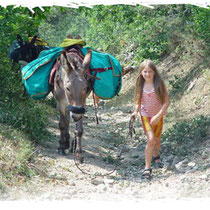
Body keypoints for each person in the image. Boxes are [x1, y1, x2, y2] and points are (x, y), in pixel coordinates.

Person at [132, 59, 170, 179]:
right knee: (151, 139)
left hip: (158, 116)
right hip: (145, 116)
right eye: (145, 71)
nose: (147, 74)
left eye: (150, 71)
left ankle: (156, 156)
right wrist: (135, 112)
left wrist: (159, 115)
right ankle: (147, 167)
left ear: (154, 72)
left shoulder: (159, 84)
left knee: (157, 139)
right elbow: (138, 101)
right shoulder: (140, 85)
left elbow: (166, 102)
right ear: (141, 73)